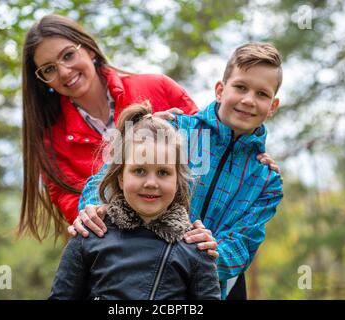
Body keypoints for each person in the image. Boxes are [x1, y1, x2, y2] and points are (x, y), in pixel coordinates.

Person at [76, 42, 284, 300]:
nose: (248, 100)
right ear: (220, 90)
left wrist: (206, 255)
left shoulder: (266, 180)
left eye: (262, 94)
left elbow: (244, 243)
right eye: (240, 87)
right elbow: (107, 179)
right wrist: (92, 208)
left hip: (206, 288)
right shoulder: (173, 129)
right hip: (131, 275)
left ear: (273, 106)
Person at [17, 14, 200, 240]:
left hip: (194, 243)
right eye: (49, 69)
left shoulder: (158, 88)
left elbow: (212, 148)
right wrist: (92, 212)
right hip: (121, 254)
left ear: (89, 50)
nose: (64, 71)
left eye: (68, 55)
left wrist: (253, 149)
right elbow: (75, 207)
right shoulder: (52, 142)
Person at [49, 103, 221, 300]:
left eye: (163, 172)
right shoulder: (89, 236)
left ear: (177, 182)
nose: (151, 183)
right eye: (139, 171)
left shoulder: (196, 248)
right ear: (121, 177)